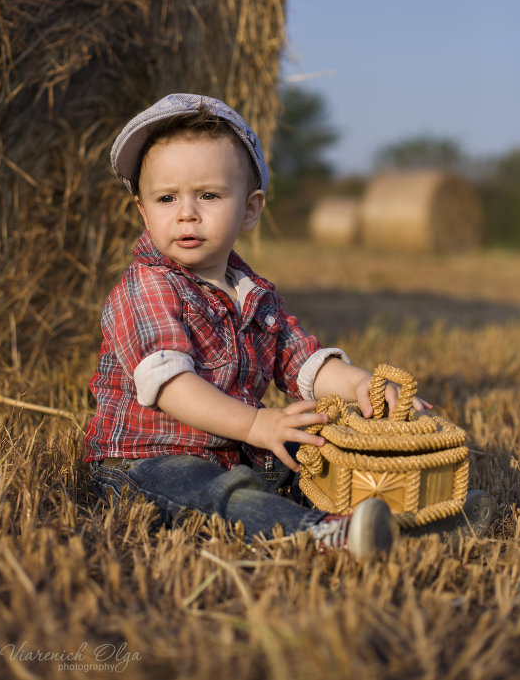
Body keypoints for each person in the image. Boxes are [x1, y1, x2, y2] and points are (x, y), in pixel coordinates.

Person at [83, 93, 480, 557]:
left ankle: (407, 518)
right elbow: (172, 386)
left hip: (237, 449)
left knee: (319, 457)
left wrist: (358, 386)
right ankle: (322, 535)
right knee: (221, 498)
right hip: (148, 462)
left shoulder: (255, 294)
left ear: (250, 209)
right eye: (166, 198)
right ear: (143, 211)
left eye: (208, 195)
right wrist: (255, 424)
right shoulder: (147, 288)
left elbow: (303, 362)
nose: (186, 212)